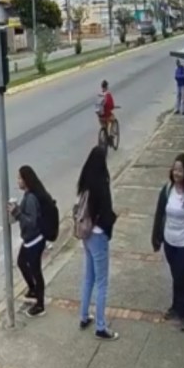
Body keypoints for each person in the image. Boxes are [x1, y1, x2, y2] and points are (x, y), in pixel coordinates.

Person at [151, 154, 184, 332]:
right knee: (176, 276)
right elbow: (159, 215)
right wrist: (156, 238)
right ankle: (175, 307)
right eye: (175, 169)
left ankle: (182, 315)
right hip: (169, 243)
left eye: (180, 170)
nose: (177, 173)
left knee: (182, 277)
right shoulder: (167, 190)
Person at [76, 146, 118, 340]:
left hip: (86, 235)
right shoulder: (102, 184)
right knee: (102, 283)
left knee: (89, 278)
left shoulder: (85, 183)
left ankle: (84, 316)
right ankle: (101, 326)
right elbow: (107, 214)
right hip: (99, 236)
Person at [8, 165, 49, 318]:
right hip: (29, 240)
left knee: (35, 271)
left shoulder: (31, 198)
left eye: (19, 178)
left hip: (34, 240)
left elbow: (31, 222)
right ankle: (32, 289)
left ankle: (40, 304)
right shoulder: (28, 194)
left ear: (26, 180)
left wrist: (16, 213)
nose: (17, 181)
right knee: (21, 262)